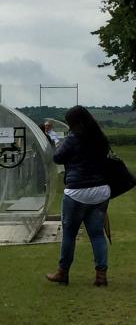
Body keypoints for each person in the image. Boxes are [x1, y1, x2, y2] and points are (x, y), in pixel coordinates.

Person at [46, 106, 110, 286]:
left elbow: (58, 158)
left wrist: (53, 137)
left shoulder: (74, 138)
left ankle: (62, 273)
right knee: (97, 235)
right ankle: (101, 276)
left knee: (69, 234)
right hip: (101, 191)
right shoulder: (99, 137)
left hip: (77, 192)